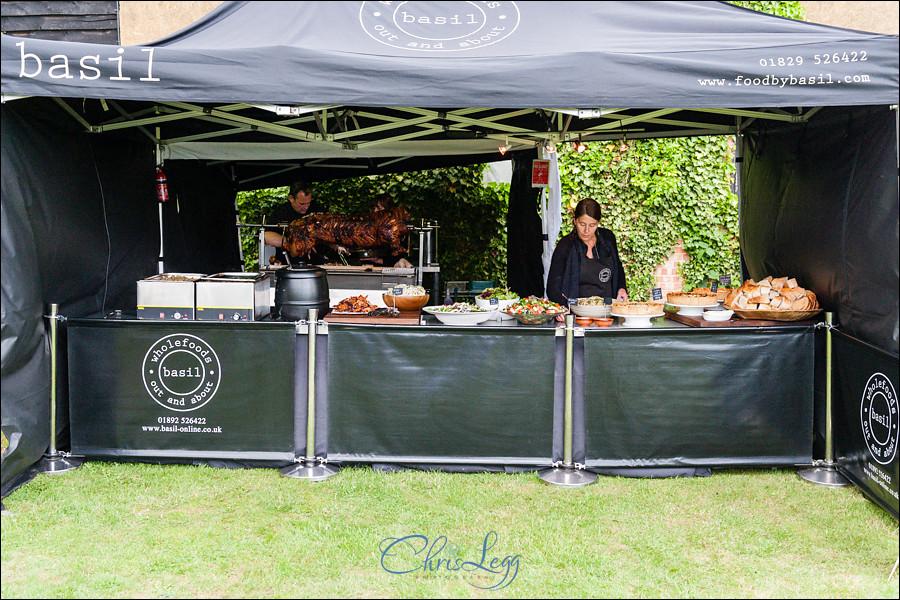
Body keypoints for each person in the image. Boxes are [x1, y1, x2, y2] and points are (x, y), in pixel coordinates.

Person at [546, 198, 628, 310]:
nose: (586, 231)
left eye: (592, 225)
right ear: (575, 220)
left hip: (607, 312)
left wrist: (621, 288)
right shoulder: (565, 245)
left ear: (598, 222)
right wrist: (560, 307)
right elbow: (553, 286)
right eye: (582, 224)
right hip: (576, 314)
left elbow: (618, 268)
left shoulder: (608, 239)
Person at [264, 180, 331, 265]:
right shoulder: (281, 213)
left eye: (308, 203)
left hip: (315, 264)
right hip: (288, 265)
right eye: (302, 204)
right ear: (291, 198)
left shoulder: (317, 210)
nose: (306, 207)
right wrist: (291, 242)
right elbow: (265, 236)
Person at [355, 194, 414, 269]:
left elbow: (400, 257)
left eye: (379, 208)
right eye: (374, 208)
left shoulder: (397, 230)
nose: (375, 211)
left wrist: (379, 260)